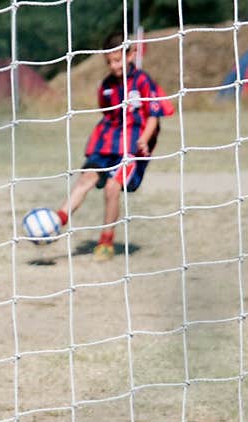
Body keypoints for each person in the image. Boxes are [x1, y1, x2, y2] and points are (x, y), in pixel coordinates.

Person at [55, 32, 174, 261]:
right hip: (107, 142)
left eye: (117, 60)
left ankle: (106, 241)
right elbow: (106, 112)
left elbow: (154, 116)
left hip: (132, 147)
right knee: (85, 179)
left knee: (112, 188)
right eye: (108, 61)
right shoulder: (107, 85)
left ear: (131, 55)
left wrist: (144, 139)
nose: (113, 66)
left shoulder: (142, 81)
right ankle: (57, 220)